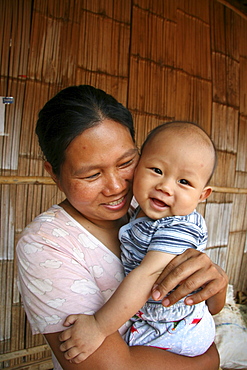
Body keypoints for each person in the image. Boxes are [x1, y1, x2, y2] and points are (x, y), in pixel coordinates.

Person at [16, 85, 227, 370]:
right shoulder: (46, 245)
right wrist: (208, 362)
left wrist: (216, 284)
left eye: (127, 162)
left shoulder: (149, 212)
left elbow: (209, 305)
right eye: (91, 174)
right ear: (54, 173)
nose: (116, 187)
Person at [58, 121, 221, 361]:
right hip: (156, 321)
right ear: (138, 166)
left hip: (175, 329)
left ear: (202, 195)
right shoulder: (141, 211)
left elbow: (149, 276)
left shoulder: (179, 226)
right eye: (156, 170)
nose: (165, 186)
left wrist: (98, 326)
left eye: (184, 182)